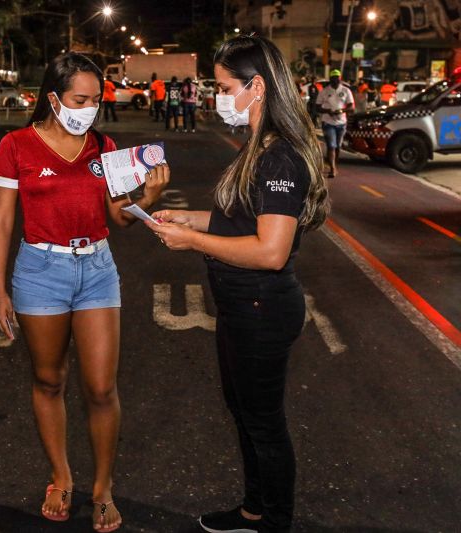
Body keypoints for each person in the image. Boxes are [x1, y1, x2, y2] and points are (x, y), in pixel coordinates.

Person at [149, 35, 329, 533]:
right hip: (239, 304)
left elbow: (270, 251)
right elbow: (240, 219)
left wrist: (191, 241)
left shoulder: (279, 157)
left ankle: (275, 521)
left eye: (225, 86)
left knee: (264, 424)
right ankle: (254, 509)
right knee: (246, 415)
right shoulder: (259, 147)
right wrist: (187, 218)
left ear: (257, 87)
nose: (217, 95)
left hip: (261, 307)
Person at [0, 52, 170, 533]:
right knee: (49, 381)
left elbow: (119, 216)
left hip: (97, 268)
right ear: (53, 97)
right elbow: (3, 219)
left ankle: (103, 488)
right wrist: (1, 290)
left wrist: (147, 198)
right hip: (39, 270)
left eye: (96, 99)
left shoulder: (104, 147)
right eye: (80, 98)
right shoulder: (16, 145)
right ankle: (61, 475)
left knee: (101, 387)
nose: (89, 108)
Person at [316, 69, 354, 178]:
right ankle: (332, 168)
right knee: (331, 146)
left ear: (340, 78)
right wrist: (328, 111)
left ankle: (334, 164)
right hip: (328, 122)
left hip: (342, 123)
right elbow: (317, 107)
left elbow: (351, 106)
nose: (335, 80)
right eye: (333, 78)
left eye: (337, 78)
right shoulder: (324, 91)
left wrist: (342, 111)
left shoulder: (346, 91)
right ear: (330, 79)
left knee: (338, 146)